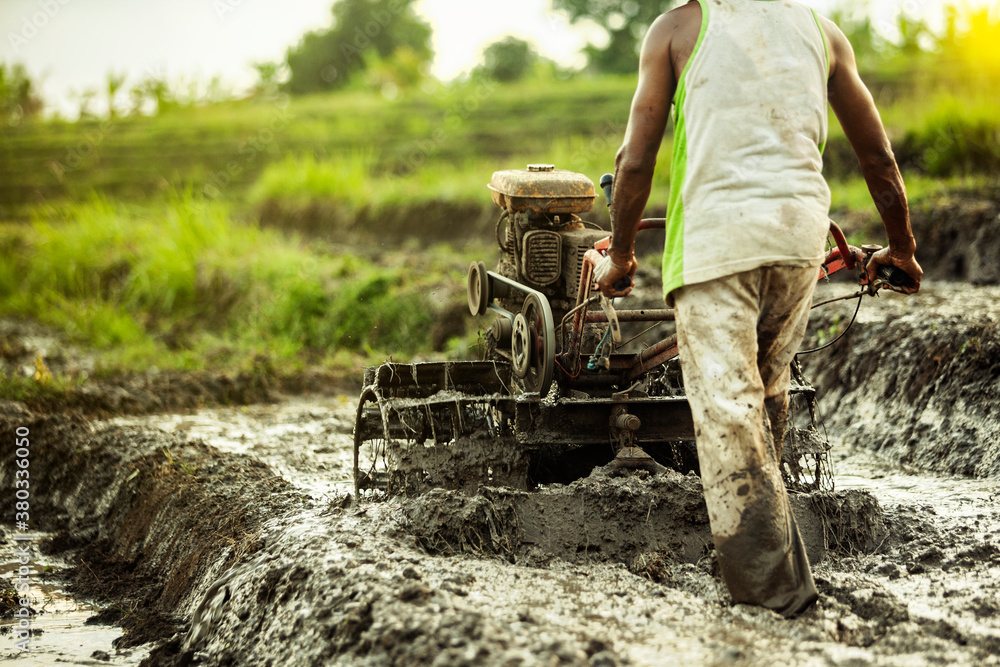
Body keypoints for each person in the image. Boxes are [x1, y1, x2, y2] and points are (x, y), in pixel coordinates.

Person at [594, 0, 923, 617]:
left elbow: (634, 161)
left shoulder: (677, 28)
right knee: (765, 398)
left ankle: (773, 600)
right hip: (799, 241)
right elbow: (878, 156)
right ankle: (778, 565)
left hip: (718, 245)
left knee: (727, 414)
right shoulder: (822, 34)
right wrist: (901, 248)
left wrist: (620, 256)